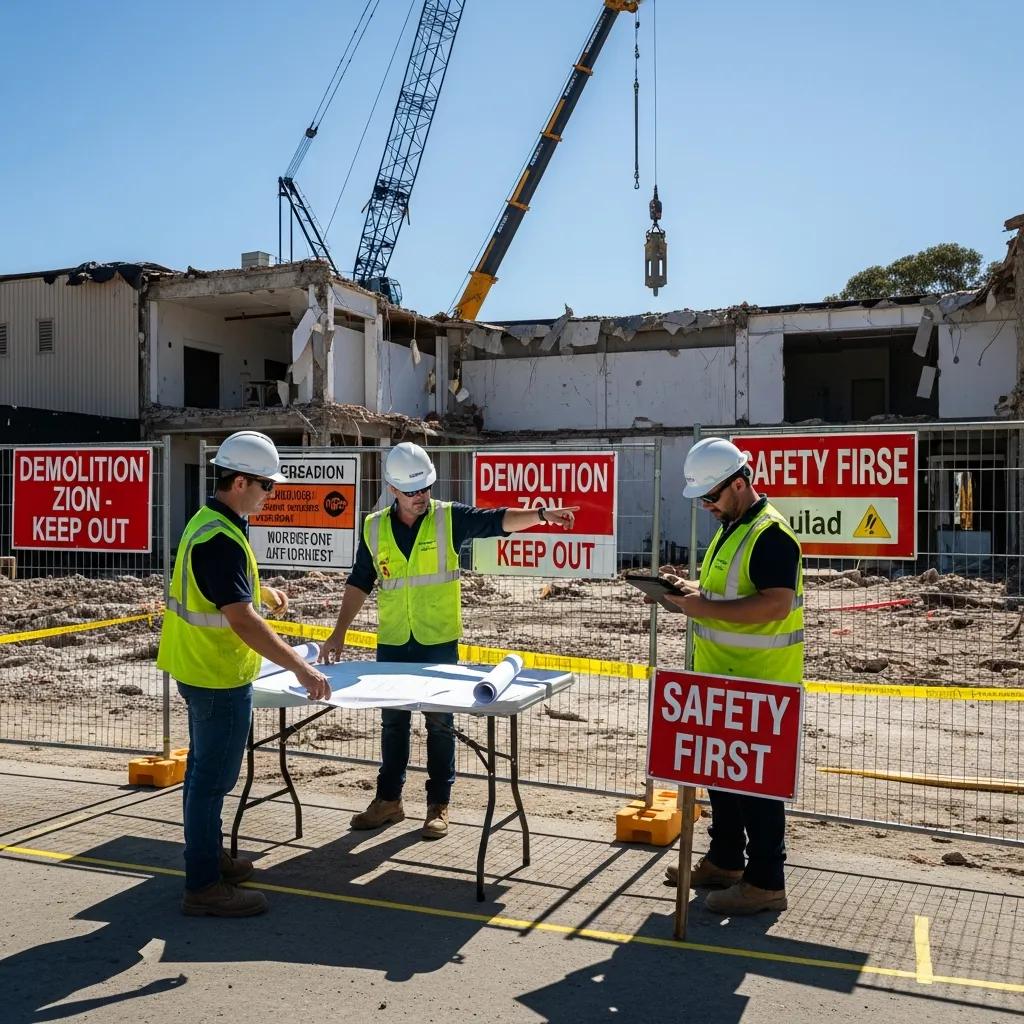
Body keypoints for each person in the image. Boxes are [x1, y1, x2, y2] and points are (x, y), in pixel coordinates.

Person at [319, 441, 577, 839]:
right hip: (392, 642)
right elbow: (359, 582)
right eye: (412, 491)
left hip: (437, 641)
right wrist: (338, 633)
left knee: (440, 725)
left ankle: (439, 805)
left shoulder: (447, 518)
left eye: (425, 488)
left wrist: (542, 514)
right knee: (393, 724)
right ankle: (389, 801)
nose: (421, 497)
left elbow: (497, 521)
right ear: (392, 489)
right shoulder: (374, 527)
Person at [157, 430, 331, 917]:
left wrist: (263, 593)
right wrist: (300, 667)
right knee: (212, 781)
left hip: (197, 667)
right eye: (266, 486)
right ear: (238, 482)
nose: (270, 494)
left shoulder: (211, 522)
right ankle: (204, 885)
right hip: (217, 676)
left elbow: (227, 594)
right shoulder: (221, 538)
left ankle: (208, 859)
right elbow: (240, 618)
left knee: (202, 775)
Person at [655, 437, 803, 914]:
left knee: (757, 789)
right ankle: (725, 862)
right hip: (722, 679)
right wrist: (687, 590)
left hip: (760, 681)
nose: (707, 507)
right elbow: (724, 592)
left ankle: (765, 883)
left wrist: (699, 607)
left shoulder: (771, 534)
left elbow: (775, 603)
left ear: (739, 484)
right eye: (702, 500)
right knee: (721, 776)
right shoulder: (733, 526)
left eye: (712, 498)